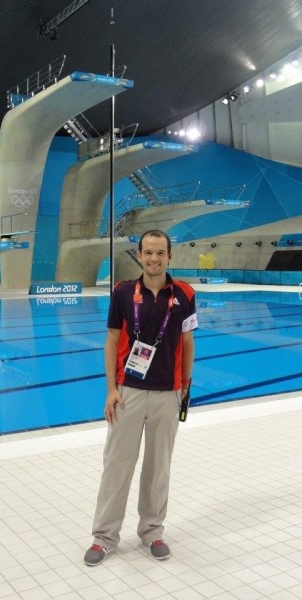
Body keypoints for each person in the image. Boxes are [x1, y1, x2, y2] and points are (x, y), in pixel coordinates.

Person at [84, 229, 197, 566]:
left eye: (160, 253)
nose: (154, 259)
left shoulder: (185, 294)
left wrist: (185, 387)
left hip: (168, 394)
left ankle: (152, 531)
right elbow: (110, 340)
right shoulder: (121, 293)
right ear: (139, 255)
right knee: (116, 466)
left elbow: (189, 343)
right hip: (128, 393)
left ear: (169, 256)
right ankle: (104, 536)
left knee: (158, 468)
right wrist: (111, 389)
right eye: (148, 253)